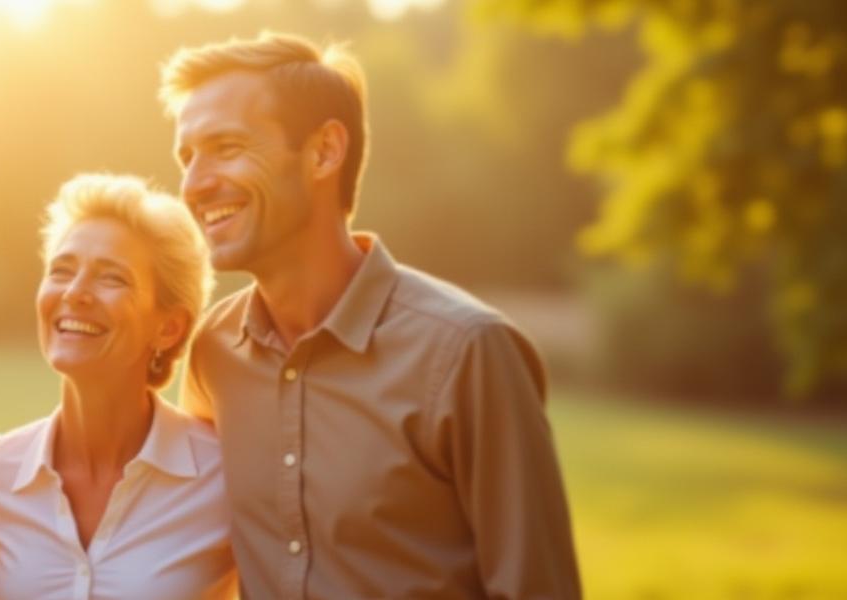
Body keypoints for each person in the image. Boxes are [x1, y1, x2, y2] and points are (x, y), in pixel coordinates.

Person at [162, 31, 582, 598]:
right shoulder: (215, 352)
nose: (194, 185)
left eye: (227, 148)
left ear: (324, 152)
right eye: (187, 158)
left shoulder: (467, 352)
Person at [0, 174, 234, 600]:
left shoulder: (225, 479)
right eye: (61, 270)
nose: (75, 292)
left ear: (169, 328)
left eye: (112, 278)